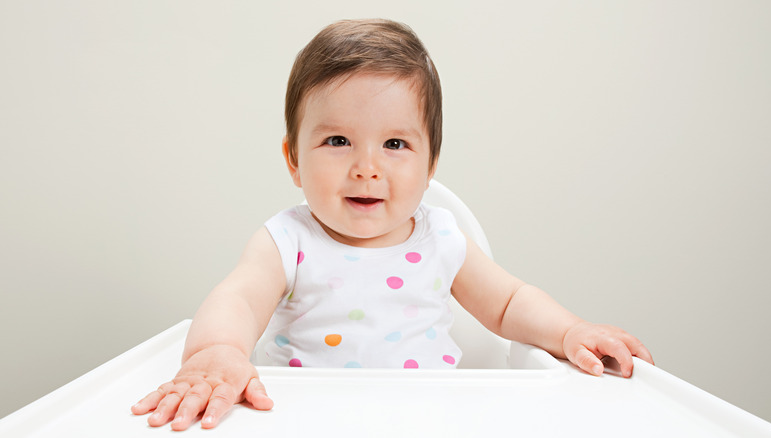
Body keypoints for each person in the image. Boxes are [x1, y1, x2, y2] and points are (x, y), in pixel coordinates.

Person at [131, 18, 654, 431]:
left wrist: (569, 331)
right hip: (300, 419)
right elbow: (238, 300)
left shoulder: (442, 238)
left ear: (431, 164)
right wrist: (217, 352)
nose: (367, 166)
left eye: (395, 144)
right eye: (338, 141)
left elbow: (509, 302)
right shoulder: (287, 241)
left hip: (428, 417)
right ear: (293, 160)